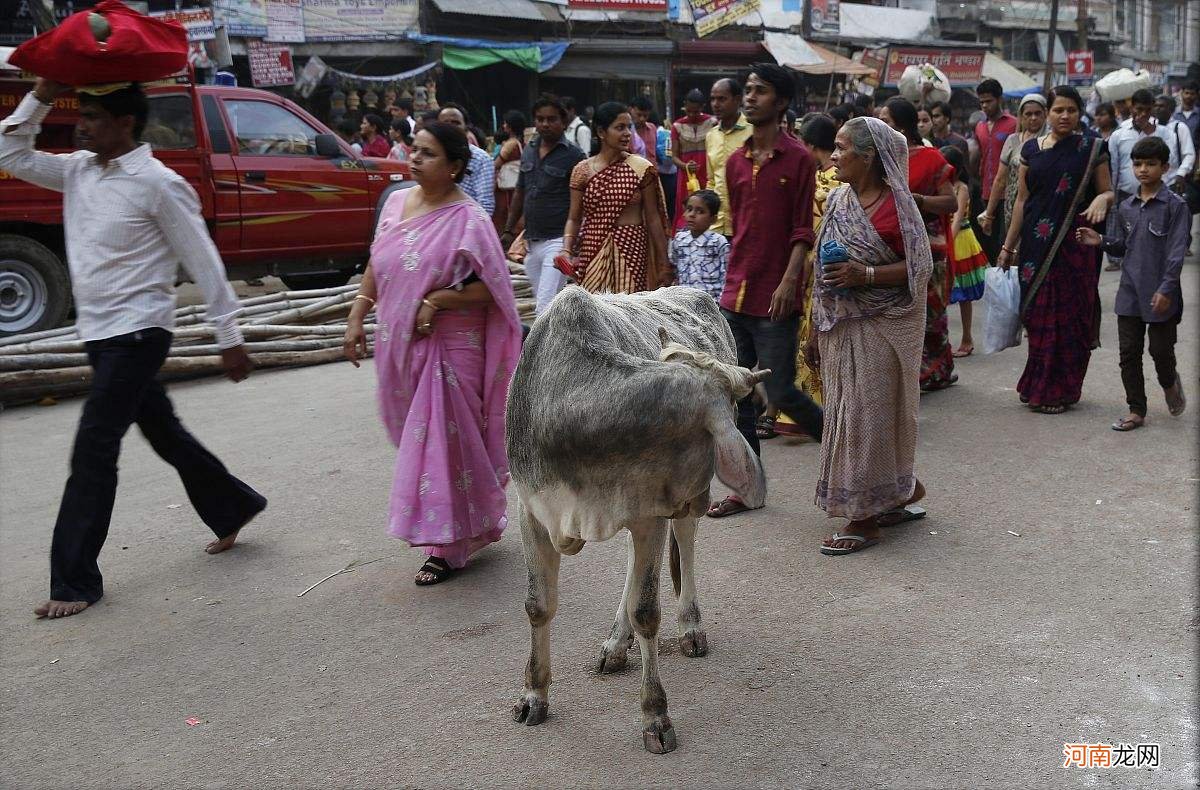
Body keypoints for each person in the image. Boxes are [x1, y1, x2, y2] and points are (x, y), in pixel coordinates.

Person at [1, 78, 266, 619]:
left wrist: (229, 337)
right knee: (163, 430)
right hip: (98, 333)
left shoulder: (158, 183)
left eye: (95, 116)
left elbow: (203, 259)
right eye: (84, 115)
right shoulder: (77, 170)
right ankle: (234, 505)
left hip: (141, 332)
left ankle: (74, 580)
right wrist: (44, 93)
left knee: (95, 446)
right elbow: (9, 151)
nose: (83, 124)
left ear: (126, 124)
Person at [343, 122, 522, 585]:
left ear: (456, 166)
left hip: (453, 347)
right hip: (401, 343)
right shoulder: (398, 202)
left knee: (447, 445)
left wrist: (440, 300)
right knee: (426, 443)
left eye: (428, 153)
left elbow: (494, 288)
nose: (415, 159)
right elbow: (378, 262)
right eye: (414, 150)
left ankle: (447, 546)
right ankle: (473, 523)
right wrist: (358, 314)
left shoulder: (470, 220)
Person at [806, 116, 932, 556]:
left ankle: (863, 518)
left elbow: (919, 270)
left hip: (883, 323)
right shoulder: (839, 200)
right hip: (841, 325)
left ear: (869, 157)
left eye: (841, 149)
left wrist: (867, 274)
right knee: (845, 412)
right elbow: (821, 270)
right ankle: (897, 492)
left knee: (869, 416)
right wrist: (812, 329)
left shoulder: (899, 206)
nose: (834, 156)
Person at [706, 63, 824, 519]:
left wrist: (790, 279)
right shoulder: (735, 160)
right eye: (748, 90)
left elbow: (802, 228)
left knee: (779, 392)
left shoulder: (798, 160)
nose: (750, 97)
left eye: (760, 91)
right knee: (737, 392)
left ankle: (847, 453)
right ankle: (747, 488)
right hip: (735, 291)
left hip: (777, 294)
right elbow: (739, 228)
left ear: (781, 102)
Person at [998, 85, 1114, 414]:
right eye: (1058, 110)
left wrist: (1099, 201)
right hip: (1036, 244)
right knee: (1038, 315)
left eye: (1071, 111)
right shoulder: (1031, 150)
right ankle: (1036, 382)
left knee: (1069, 317)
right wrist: (1009, 246)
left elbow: (1109, 192)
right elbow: (1022, 200)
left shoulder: (1092, 148)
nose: (1065, 116)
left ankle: (1059, 389)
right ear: (1048, 113)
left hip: (1075, 244)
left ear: (1080, 114)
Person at [1076, 136, 1187, 430]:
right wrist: (1100, 240)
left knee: (1160, 351)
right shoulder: (1126, 206)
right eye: (1138, 164)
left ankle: (1169, 381)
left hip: (1162, 292)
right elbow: (1125, 245)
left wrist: (1166, 288)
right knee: (1129, 353)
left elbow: (1176, 254)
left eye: (1151, 164)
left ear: (1165, 167)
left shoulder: (1175, 207)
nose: (1143, 170)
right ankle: (1136, 409)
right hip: (1130, 292)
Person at [880, 97, 958, 391]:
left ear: (901, 125)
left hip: (928, 248)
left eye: (886, 121)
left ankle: (937, 369)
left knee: (931, 314)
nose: (882, 126)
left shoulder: (931, 158)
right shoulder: (879, 159)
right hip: (890, 247)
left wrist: (920, 201)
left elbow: (950, 201)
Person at [775, 113, 840, 438]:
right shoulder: (841, 180)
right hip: (833, 267)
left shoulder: (819, 182)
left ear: (811, 145)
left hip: (812, 267)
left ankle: (813, 412)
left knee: (810, 335)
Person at [561, 101, 670, 294]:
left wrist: (663, 262)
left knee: (628, 310)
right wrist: (566, 251)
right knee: (594, 311)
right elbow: (574, 218)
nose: (628, 133)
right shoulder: (582, 171)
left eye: (629, 127)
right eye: (620, 128)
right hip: (593, 247)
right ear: (601, 132)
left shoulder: (641, 168)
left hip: (632, 247)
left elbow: (653, 218)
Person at [501, 96, 586, 315]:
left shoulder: (574, 155)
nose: (545, 124)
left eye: (551, 119)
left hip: (558, 240)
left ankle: (539, 349)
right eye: (540, 119)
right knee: (550, 304)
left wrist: (576, 241)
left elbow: (582, 201)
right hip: (533, 240)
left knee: (544, 306)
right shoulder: (529, 150)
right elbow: (520, 191)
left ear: (563, 121)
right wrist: (509, 230)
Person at [1107, 89, 1175, 271]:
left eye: (1147, 109)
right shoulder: (1119, 133)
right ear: (1131, 108)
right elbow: (1114, 166)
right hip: (1125, 192)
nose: (1143, 114)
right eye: (1139, 109)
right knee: (1123, 228)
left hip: (1155, 194)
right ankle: (1119, 260)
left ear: (1152, 108)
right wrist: (1111, 193)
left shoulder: (1164, 133)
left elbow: (1169, 163)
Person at [978, 94, 1047, 260]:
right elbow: (1000, 179)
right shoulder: (1013, 140)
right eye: (1028, 114)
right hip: (1013, 207)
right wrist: (989, 214)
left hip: (1040, 207)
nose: (1033, 118)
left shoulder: (1050, 142)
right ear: (1021, 117)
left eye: (1038, 114)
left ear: (1045, 115)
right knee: (1012, 254)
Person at [941, 145, 987, 356]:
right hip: (946, 239)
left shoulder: (962, 188)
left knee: (963, 295)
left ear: (956, 169)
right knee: (941, 293)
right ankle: (942, 342)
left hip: (960, 242)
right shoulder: (939, 187)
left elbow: (958, 218)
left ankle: (967, 338)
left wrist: (945, 243)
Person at [972, 79, 1018, 262]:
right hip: (986, 192)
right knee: (987, 240)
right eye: (981, 102)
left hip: (1008, 194)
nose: (984, 106)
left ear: (999, 100)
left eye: (988, 101)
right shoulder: (980, 127)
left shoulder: (1013, 124)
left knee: (1005, 240)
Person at [705, 78, 751, 239]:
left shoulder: (753, 132)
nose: (716, 104)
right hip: (716, 227)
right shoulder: (711, 136)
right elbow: (711, 180)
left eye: (722, 99)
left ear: (738, 100)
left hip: (745, 225)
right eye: (712, 99)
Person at [670, 89, 716, 230]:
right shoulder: (677, 126)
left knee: (708, 205)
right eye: (688, 111)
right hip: (687, 177)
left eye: (695, 112)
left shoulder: (713, 123)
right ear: (684, 106)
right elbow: (674, 157)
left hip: (707, 172)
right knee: (687, 207)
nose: (691, 115)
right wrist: (685, 166)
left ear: (702, 108)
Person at [669, 189, 728, 300]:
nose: (692, 215)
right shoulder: (679, 240)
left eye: (700, 211)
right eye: (689, 209)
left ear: (713, 219)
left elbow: (725, 275)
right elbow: (675, 266)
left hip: (711, 303)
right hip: (685, 301)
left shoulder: (718, 242)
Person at [437, 105, 495, 215]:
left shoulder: (481, 159)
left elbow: (485, 204)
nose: (450, 127)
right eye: (445, 123)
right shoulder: (431, 157)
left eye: (456, 123)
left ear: (466, 127)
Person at [1152, 95, 1196, 195]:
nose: (1157, 109)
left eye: (1161, 106)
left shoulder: (1179, 127)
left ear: (1171, 109)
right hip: (1153, 182)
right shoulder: (1151, 127)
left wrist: (1181, 174)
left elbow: (1189, 154)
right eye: (1156, 106)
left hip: (1173, 181)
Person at [493, 109, 527, 234]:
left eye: (506, 123)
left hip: (506, 190)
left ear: (511, 126)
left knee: (503, 215)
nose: (503, 126)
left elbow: (496, 165)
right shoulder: (521, 143)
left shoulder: (510, 144)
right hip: (516, 186)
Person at [655, 119, 678, 225]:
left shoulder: (658, 133)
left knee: (662, 202)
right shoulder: (669, 133)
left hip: (661, 173)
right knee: (671, 204)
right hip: (673, 173)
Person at [629, 96, 658, 166]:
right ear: (630, 110)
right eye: (638, 115)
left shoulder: (652, 128)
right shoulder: (627, 130)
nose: (642, 119)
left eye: (645, 116)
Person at [1171, 81, 1200, 147]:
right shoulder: (1173, 113)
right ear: (1181, 93)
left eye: (1192, 94)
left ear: (1197, 95)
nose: (1189, 96)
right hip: (1175, 151)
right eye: (1186, 93)